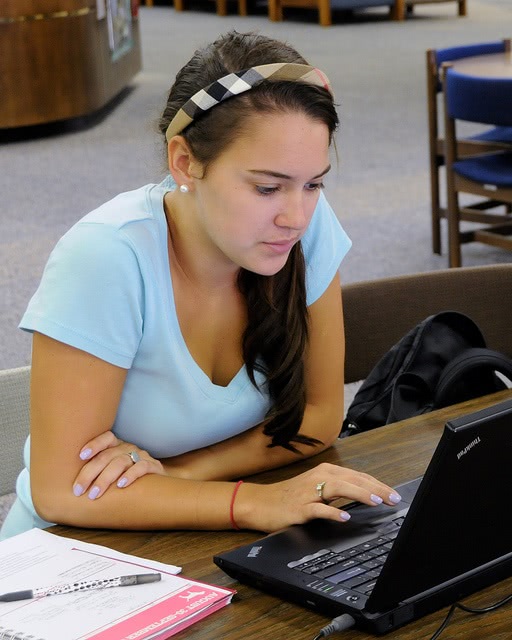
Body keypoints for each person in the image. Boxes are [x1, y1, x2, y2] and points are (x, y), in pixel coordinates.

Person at [1, 31, 401, 541]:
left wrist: (177, 476)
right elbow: (61, 490)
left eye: (314, 184)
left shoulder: (304, 230)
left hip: (189, 534)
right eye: (266, 187)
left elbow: (320, 418)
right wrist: (253, 501)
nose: (296, 215)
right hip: (70, 551)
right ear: (185, 162)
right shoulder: (105, 257)